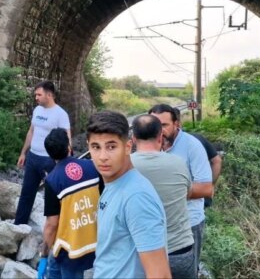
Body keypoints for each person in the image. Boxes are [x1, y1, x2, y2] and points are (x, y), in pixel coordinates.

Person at [87, 111, 172, 278]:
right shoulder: (114, 184)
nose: (103, 157)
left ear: (128, 147)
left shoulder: (136, 197)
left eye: (111, 147)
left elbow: (160, 274)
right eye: (96, 147)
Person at [131, 114, 196, 278]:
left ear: (133, 138)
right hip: (180, 251)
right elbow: (187, 194)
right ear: (160, 137)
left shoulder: (124, 166)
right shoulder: (178, 163)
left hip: (142, 255)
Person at [150, 104, 213, 274]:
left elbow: (207, 188)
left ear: (177, 124)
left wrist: (170, 193)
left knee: (187, 271)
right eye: (155, 125)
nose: (159, 130)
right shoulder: (147, 146)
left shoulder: (192, 146)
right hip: (155, 223)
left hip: (187, 224)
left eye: (164, 125)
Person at [42, 128, 101, 279]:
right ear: (69, 147)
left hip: (70, 247)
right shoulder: (92, 167)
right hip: (94, 238)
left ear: (50, 155)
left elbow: (52, 224)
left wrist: (43, 254)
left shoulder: (52, 180)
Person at [14, 81, 71, 225]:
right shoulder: (37, 110)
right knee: (27, 193)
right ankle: (19, 225)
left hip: (49, 161)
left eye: (39, 95)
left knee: (53, 195)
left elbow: (66, 139)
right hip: (33, 157)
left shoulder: (60, 114)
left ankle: (55, 228)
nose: (36, 98)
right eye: (35, 95)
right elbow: (31, 131)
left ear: (49, 95)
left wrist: (65, 162)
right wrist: (23, 153)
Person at [174, 107, 223, 208]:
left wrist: (210, 185)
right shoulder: (197, 138)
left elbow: (217, 160)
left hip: (183, 200)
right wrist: (211, 184)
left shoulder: (194, 140)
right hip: (197, 198)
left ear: (176, 123)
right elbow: (217, 160)